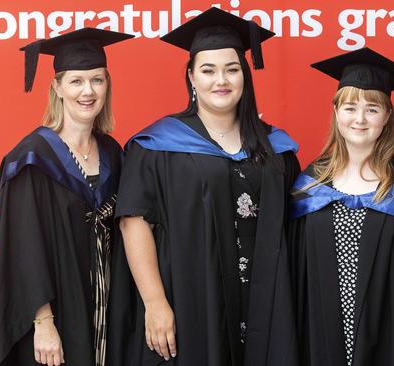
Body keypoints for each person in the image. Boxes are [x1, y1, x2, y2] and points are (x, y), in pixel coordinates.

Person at [106, 7, 300, 366]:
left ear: (245, 76)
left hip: (264, 301)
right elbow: (133, 223)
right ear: (192, 77)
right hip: (192, 298)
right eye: (208, 70)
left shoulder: (276, 149)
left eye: (231, 69)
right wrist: (155, 303)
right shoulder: (157, 145)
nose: (220, 80)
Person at [289, 48, 394, 366]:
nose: (359, 119)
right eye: (350, 107)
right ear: (335, 112)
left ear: (388, 115)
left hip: (388, 337)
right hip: (317, 336)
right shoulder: (308, 186)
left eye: (372, 109)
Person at [0, 28, 133, 366]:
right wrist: (43, 322)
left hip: (108, 311)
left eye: (97, 80)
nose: (88, 91)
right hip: (58, 313)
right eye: (76, 81)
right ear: (57, 87)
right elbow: (25, 247)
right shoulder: (31, 159)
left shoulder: (113, 153)